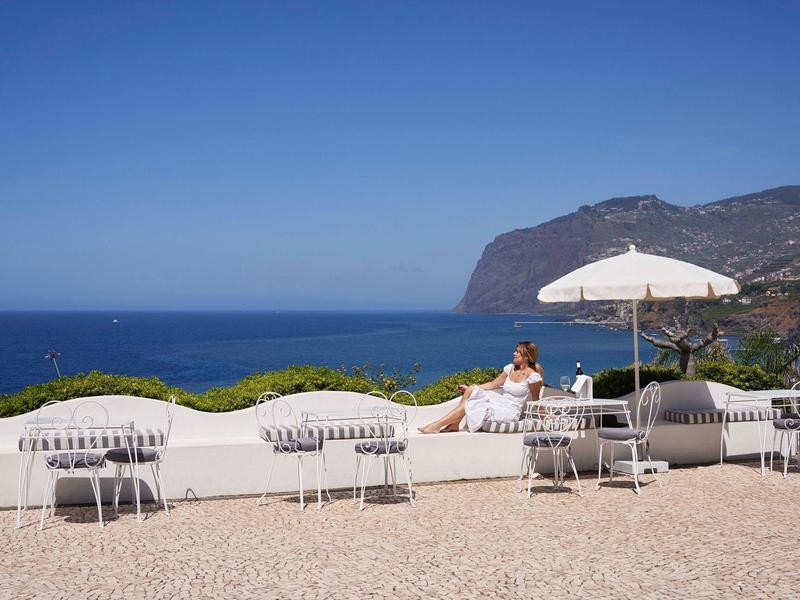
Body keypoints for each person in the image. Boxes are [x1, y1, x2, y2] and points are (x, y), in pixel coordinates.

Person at [418, 341, 544, 434]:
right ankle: (455, 424)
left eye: (517, 352)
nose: (514, 353)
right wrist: (469, 387)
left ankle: (436, 425)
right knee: (472, 389)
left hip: (509, 413)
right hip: (500, 404)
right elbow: (493, 384)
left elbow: (536, 401)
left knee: (474, 402)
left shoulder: (533, 377)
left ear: (526, 357)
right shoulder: (510, 368)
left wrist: (547, 417)